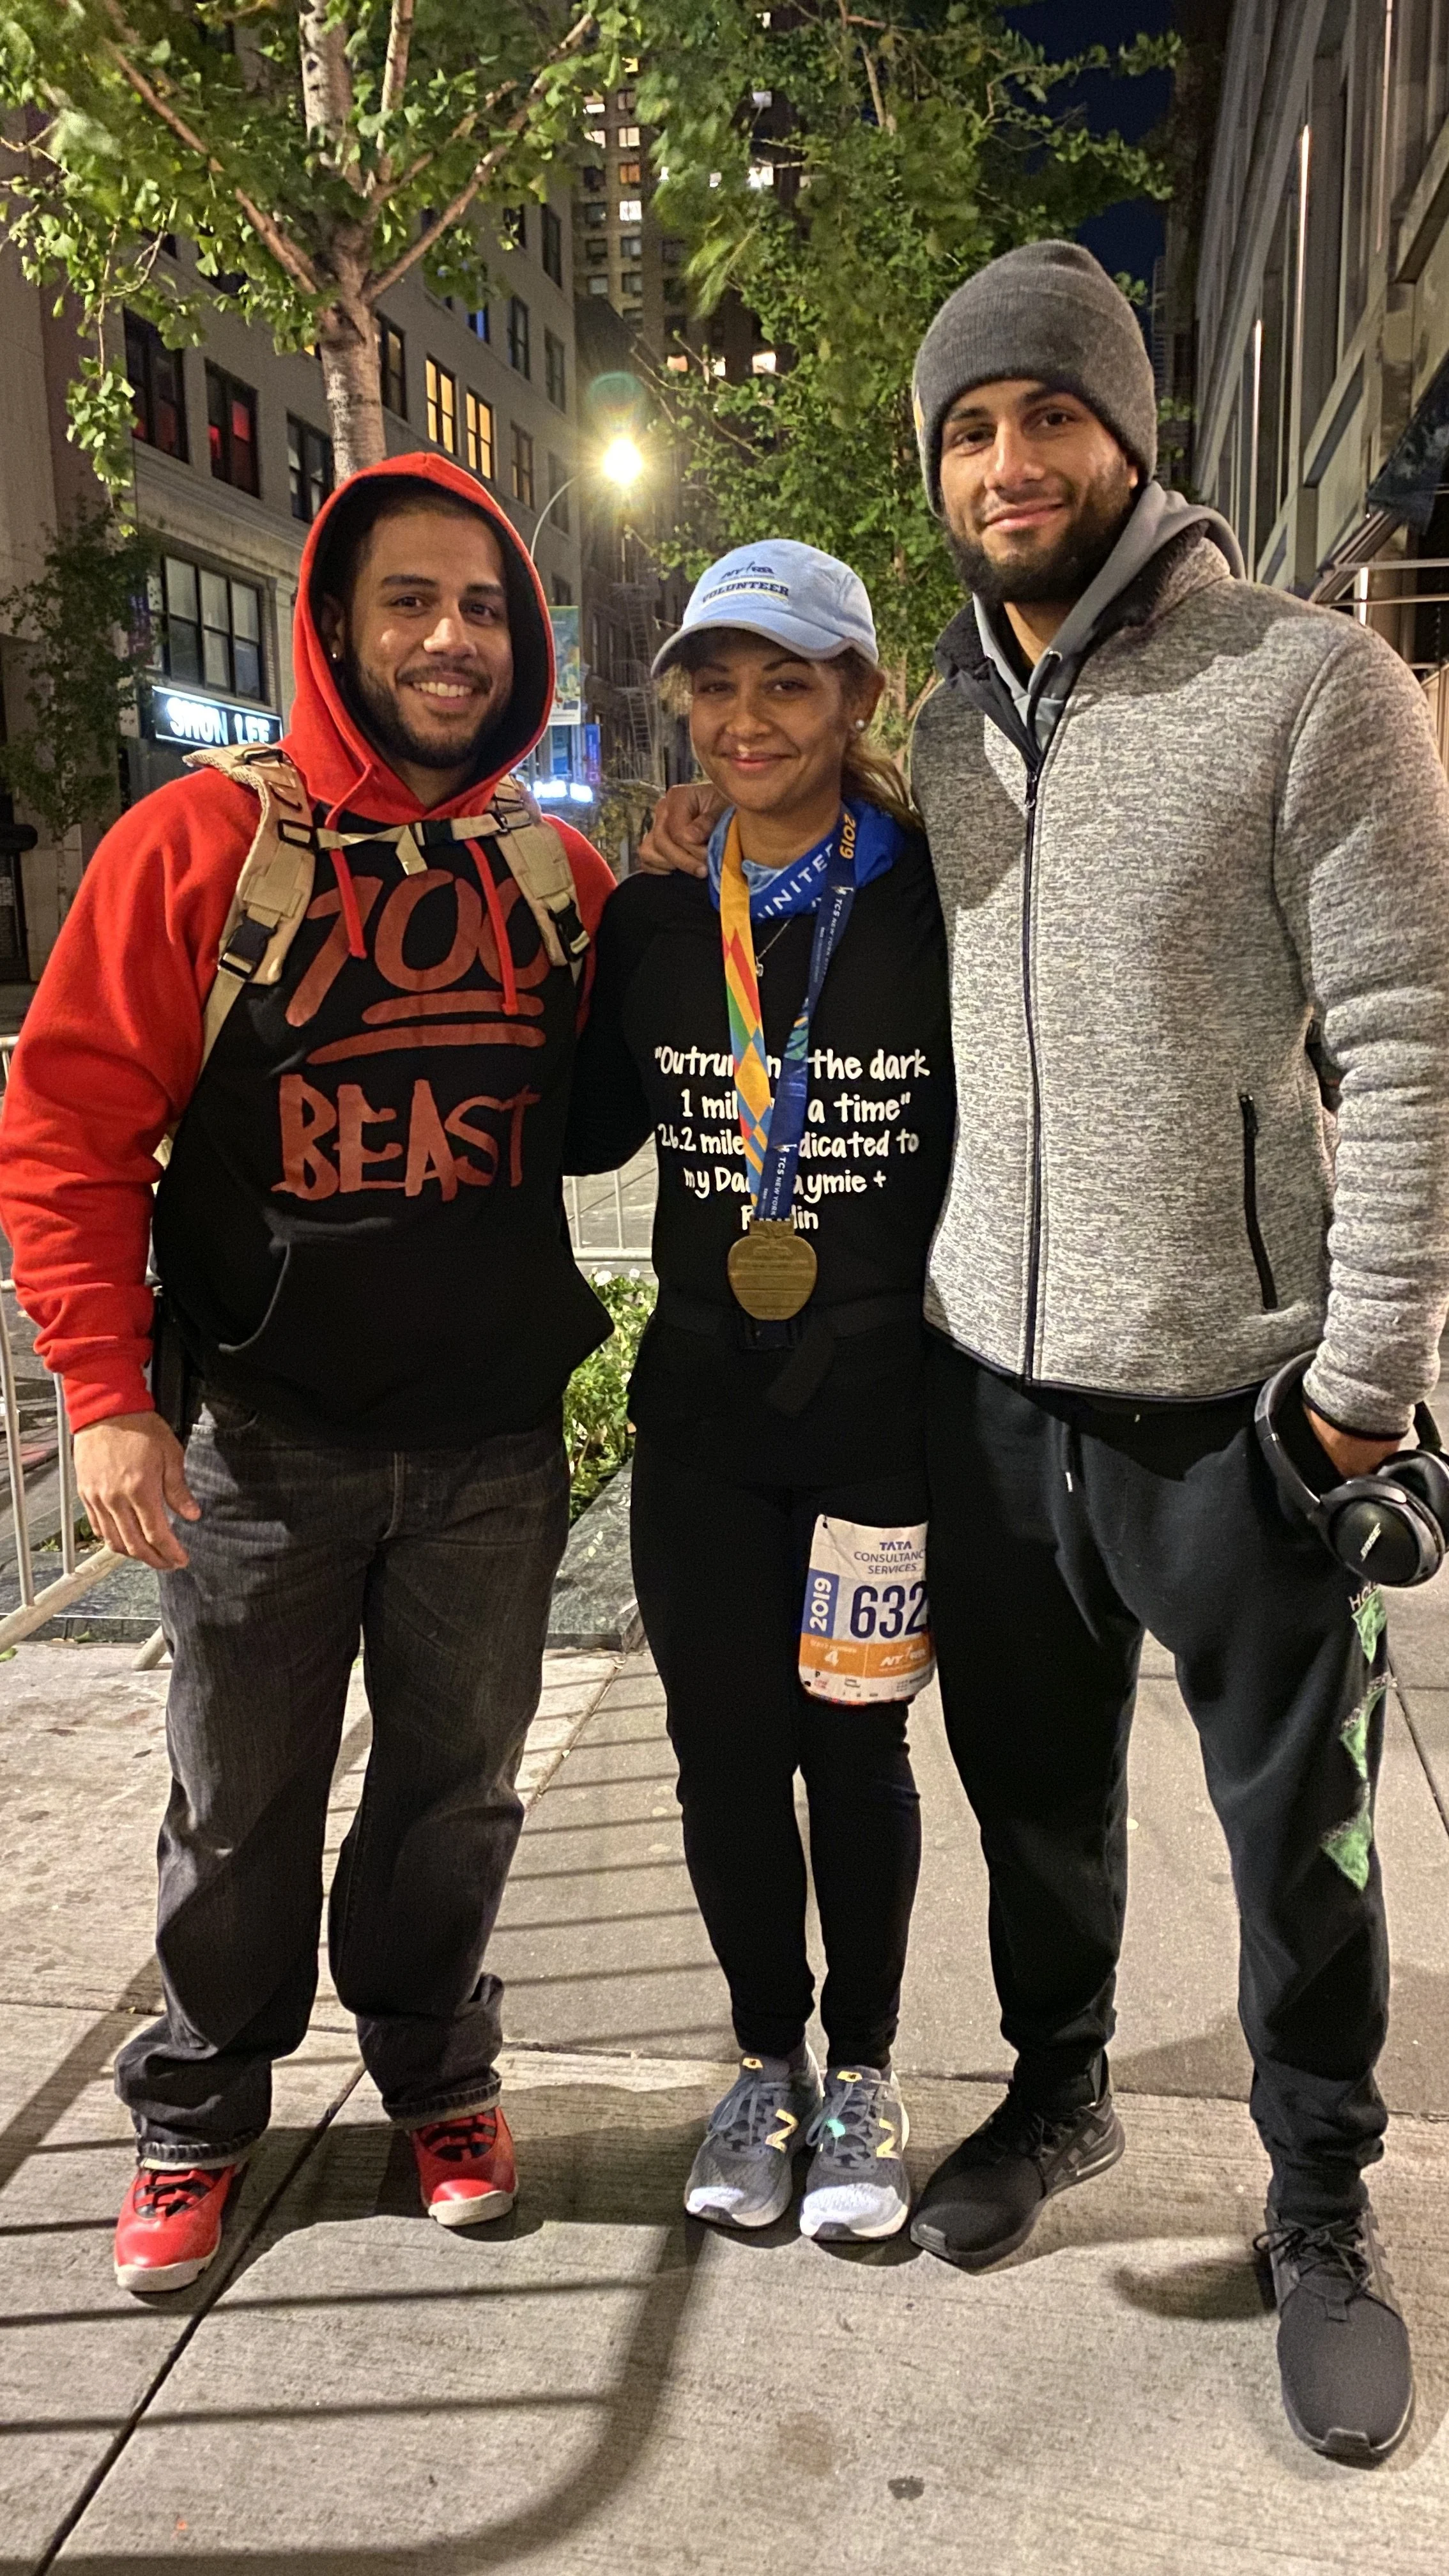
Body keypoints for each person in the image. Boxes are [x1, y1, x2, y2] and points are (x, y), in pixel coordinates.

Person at [640, 242, 1449, 2462]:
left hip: (1241, 1394)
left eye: (1046, 417)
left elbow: (1402, 1039)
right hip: (990, 1389)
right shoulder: (938, 749)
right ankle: (1061, 2091)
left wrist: (1365, 1375)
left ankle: (1312, 2206)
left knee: (1297, 1839)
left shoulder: (1306, 685)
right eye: (968, 430)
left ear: (1127, 436)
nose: (1008, 461)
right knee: (1035, 1806)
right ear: (936, 474)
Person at [0, 453, 617, 2294]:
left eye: (484, 607)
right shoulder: (191, 846)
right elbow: (69, 1130)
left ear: (523, 645)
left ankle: (435, 2074)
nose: (449, 637)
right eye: (409, 602)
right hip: (264, 1443)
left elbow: (610, 1111)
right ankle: (198, 2107)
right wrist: (106, 1395)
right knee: (235, 1801)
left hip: (494, 1444)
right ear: (334, 628)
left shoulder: (554, 871)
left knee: (458, 1794)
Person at [566, 542, 953, 2239]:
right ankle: (759, 2065)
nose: (744, 719)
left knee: (851, 1746)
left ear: (856, 698)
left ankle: (859, 2073)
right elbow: (582, 1131)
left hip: (883, 1400)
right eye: (713, 684)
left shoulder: (939, 895)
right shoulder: (657, 912)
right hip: (705, 1406)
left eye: (786, 682)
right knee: (719, 1748)